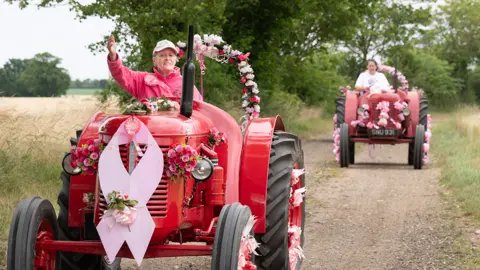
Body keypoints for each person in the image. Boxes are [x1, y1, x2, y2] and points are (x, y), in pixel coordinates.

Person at [106, 35, 203, 102]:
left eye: (171, 55)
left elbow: (199, 111)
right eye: (162, 55)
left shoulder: (186, 83)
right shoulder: (142, 80)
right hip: (150, 130)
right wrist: (113, 56)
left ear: (176, 59)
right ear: (154, 60)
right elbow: (121, 74)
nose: (167, 58)